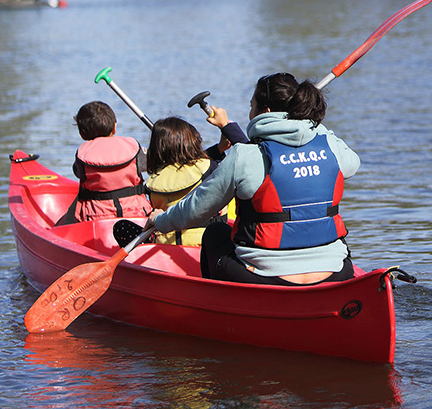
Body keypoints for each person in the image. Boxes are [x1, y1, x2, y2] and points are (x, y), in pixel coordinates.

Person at [148, 73, 360, 286]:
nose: (249, 113)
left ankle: (220, 307)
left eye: (251, 106)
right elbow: (353, 163)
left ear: (265, 111)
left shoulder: (245, 155)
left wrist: (160, 221)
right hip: (336, 271)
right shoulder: (329, 145)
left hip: (266, 278)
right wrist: (311, 124)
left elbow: (194, 210)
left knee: (215, 232)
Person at [143, 112, 247, 246]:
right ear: (193, 143)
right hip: (206, 246)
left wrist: (218, 149)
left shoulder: (153, 182)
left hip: (168, 247)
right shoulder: (210, 168)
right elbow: (247, 153)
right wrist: (228, 128)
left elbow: (185, 167)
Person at [70, 101, 151, 221]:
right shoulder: (133, 148)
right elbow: (152, 164)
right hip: (137, 214)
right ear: (114, 127)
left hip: (95, 218)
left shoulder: (82, 155)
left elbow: (77, 173)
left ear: (81, 134)